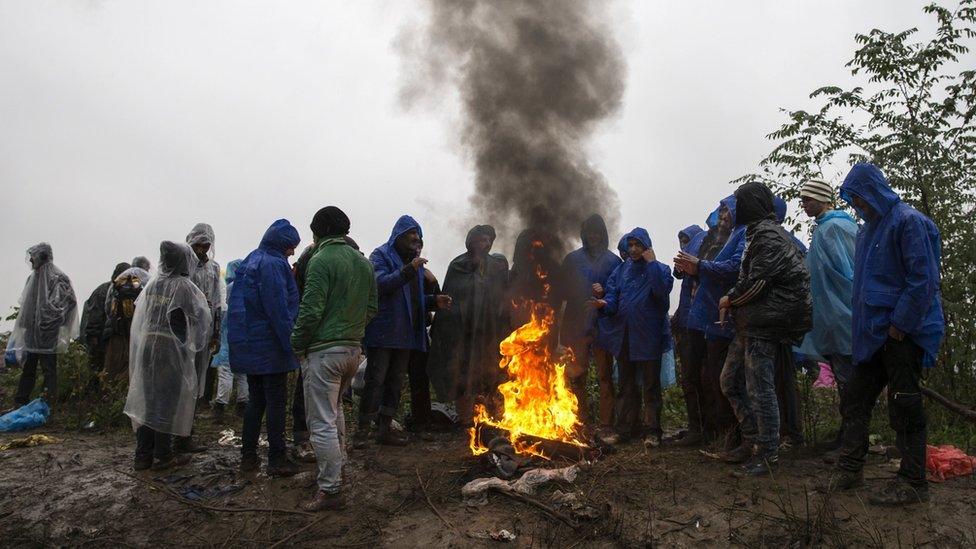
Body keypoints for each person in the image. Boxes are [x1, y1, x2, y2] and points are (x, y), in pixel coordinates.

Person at [821, 163, 944, 506]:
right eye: (853, 200)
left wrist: (900, 326)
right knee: (855, 399)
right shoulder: (866, 231)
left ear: (875, 191)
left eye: (860, 198)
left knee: (904, 403)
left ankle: (913, 481)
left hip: (903, 333)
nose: (858, 205)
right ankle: (850, 469)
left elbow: (924, 281)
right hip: (872, 335)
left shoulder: (909, 222)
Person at [718, 181, 812, 476]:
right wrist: (733, 299)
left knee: (760, 388)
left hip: (767, 323)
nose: (732, 211)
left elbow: (758, 283)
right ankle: (752, 439)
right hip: (753, 321)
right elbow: (751, 276)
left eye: (737, 204)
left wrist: (730, 298)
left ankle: (767, 452)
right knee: (730, 380)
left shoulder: (768, 235)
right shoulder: (755, 234)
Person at [290, 206, 378, 512]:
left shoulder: (320, 260)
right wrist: (352, 331)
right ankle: (336, 473)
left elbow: (310, 309)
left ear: (318, 231)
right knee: (336, 411)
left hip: (324, 353)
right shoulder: (363, 263)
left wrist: (297, 343)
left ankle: (330, 490)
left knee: (321, 422)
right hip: (352, 351)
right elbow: (371, 307)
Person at [357, 215, 452, 447]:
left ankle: (384, 428)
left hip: (408, 335)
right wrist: (408, 270)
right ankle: (362, 432)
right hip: (384, 332)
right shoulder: (381, 255)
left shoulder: (415, 263)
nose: (415, 238)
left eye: (418, 235)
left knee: (396, 383)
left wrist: (433, 301)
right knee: (376, 381)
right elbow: (378, 286)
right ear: (398, 236)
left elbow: (413, 299)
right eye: (410, 234)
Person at [123, 241, 212, 471]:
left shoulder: (151, 285)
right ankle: (163, 454)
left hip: (147, 348)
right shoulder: (185, 287)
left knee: (148, 399)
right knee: (167, 401)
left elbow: (139, 319)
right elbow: (203, 321)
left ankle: (143, 455)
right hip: (171, 350)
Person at [227, 220, 301, 477]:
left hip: (250, 345)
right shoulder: (273, 264)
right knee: (276, 403)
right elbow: (278, 309)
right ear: (283, 243)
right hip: (270, 347)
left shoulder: (250, 260)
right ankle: (277, 459)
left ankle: (248, 457)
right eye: (291, 247)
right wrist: (290, 344)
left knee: (255, 401)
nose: (292, 252)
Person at [592, 228, 673, 447]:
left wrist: (653, 263)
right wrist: (603, 304)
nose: (634, 249)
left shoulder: (661, 269)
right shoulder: (620, 272)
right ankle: (626, 429)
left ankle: (653, 431)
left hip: (649, 337)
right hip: (625, 337)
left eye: (638, 245)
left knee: (650, 387)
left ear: (647, 246)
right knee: (626, 385)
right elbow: (613, 299)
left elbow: (660, 293)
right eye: (631, 245)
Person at [674, 196, 745, 448]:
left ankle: (724, 432)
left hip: (720, 319)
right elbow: (689, 267)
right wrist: (687, 268)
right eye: (722, 210)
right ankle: (699, 428)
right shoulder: (706, 238)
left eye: (728, 211)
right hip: (694, 317)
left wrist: (700, 267)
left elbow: (733, 269)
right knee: (691, 376)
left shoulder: (741, 237)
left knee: (717, 378)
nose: (723, 215)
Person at [797, 179, 858, 455]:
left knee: (849, 382)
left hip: (842, 315)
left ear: (822, 198)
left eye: (808, 198)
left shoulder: (834, 227)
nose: (804, 204)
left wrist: (845, 309)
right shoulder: (825, 227)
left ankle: (853, 443)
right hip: (831, 316)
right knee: (844, 379)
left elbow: (848, 274)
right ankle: (847, 436)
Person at [427, 225, 509, 427]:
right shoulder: (458, 266)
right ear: (472, 242)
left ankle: (489, 417)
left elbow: (504, 294)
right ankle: (465, 418)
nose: (487, 243)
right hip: (463, 330)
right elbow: (450, 299)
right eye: (482, 239)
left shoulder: (496, 264)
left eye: (489, 240)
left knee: (489, 370)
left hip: (489, 330)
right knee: (462, 371)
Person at [290, 229, 361, 462]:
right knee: (328, 407)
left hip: (324, 345)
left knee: (323, 413)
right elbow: (305, 303)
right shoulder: (317, 260)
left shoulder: (333, 260)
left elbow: (309, 310)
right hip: (341, 345)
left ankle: (331, 483)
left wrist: (298, 344)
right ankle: (309, 443)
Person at [557, 214, 622, 442]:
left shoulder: (613, 262)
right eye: (589, 232)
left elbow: (619, 294)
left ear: (603, 234)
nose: (593, 236)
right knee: (577, 376)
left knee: (605, 376)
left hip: (604, 326)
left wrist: (604, 293)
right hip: (577, 326)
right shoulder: (572, 260)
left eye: (597, 232)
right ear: (583, 234)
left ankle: (606, 425)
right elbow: (561, 294)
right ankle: (580, 422)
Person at [8, 243, 79, 406]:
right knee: (29, 368)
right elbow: (26, 306)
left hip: (48, 333)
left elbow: (69, 302)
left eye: (34, 257)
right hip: (32, 333)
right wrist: (24, 327)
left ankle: (47, 403)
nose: (31, 261)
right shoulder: (32, 278)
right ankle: (21, 402)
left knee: (48, 369)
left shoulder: (58, 277)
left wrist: (54, 322)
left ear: (42, 256)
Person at [181, 223, 222, 453]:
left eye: (206, 246)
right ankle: (178, 433)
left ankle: (187, 431)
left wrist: (216, 332)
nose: (202, 250)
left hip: (203, 331)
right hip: (183, 330)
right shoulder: (182, 264)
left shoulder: (213, 269)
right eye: (198, 245)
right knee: (182, 382)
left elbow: (215, 302)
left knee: (197, 381)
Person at [773, 194, 808, 450]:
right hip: (775, 320)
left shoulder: (783, 242)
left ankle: (791, 433)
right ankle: (782, 431)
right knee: (773, 379)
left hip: (782, 322)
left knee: (783, 379)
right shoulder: (778, 240)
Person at [669, 223, 707, 446]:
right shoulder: (688, 277)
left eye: (688, 241)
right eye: (682, 242)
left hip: (700, 332)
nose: (684, 246)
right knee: (689, 380)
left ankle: (705, 429)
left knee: (701, 380)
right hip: (686, 330)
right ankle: (696, 426)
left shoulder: (704, 270)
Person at [79, 262, 130, 392]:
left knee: (104, 369)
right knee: (97, 369)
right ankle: (93, 398)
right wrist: (93, 336)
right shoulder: (105, 291)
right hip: (100, 338)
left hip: (106, 337)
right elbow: (94, 315)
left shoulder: (116, 291)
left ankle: (98, 398)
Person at [210, 259, 248, 420]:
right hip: (245, 338)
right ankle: (243, 406)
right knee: (243, 374)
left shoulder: (230, 289)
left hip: (228, 336)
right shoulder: (249, 286)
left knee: (226, 372)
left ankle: (220, 407)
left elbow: (222, 310)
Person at [102, 265, 151, 382]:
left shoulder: (115, 288)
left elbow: (108, 309)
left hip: (115, 332)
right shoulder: (139, 288)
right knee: (128, 365)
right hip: (131, 333)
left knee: (112, 367)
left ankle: (109, 393)